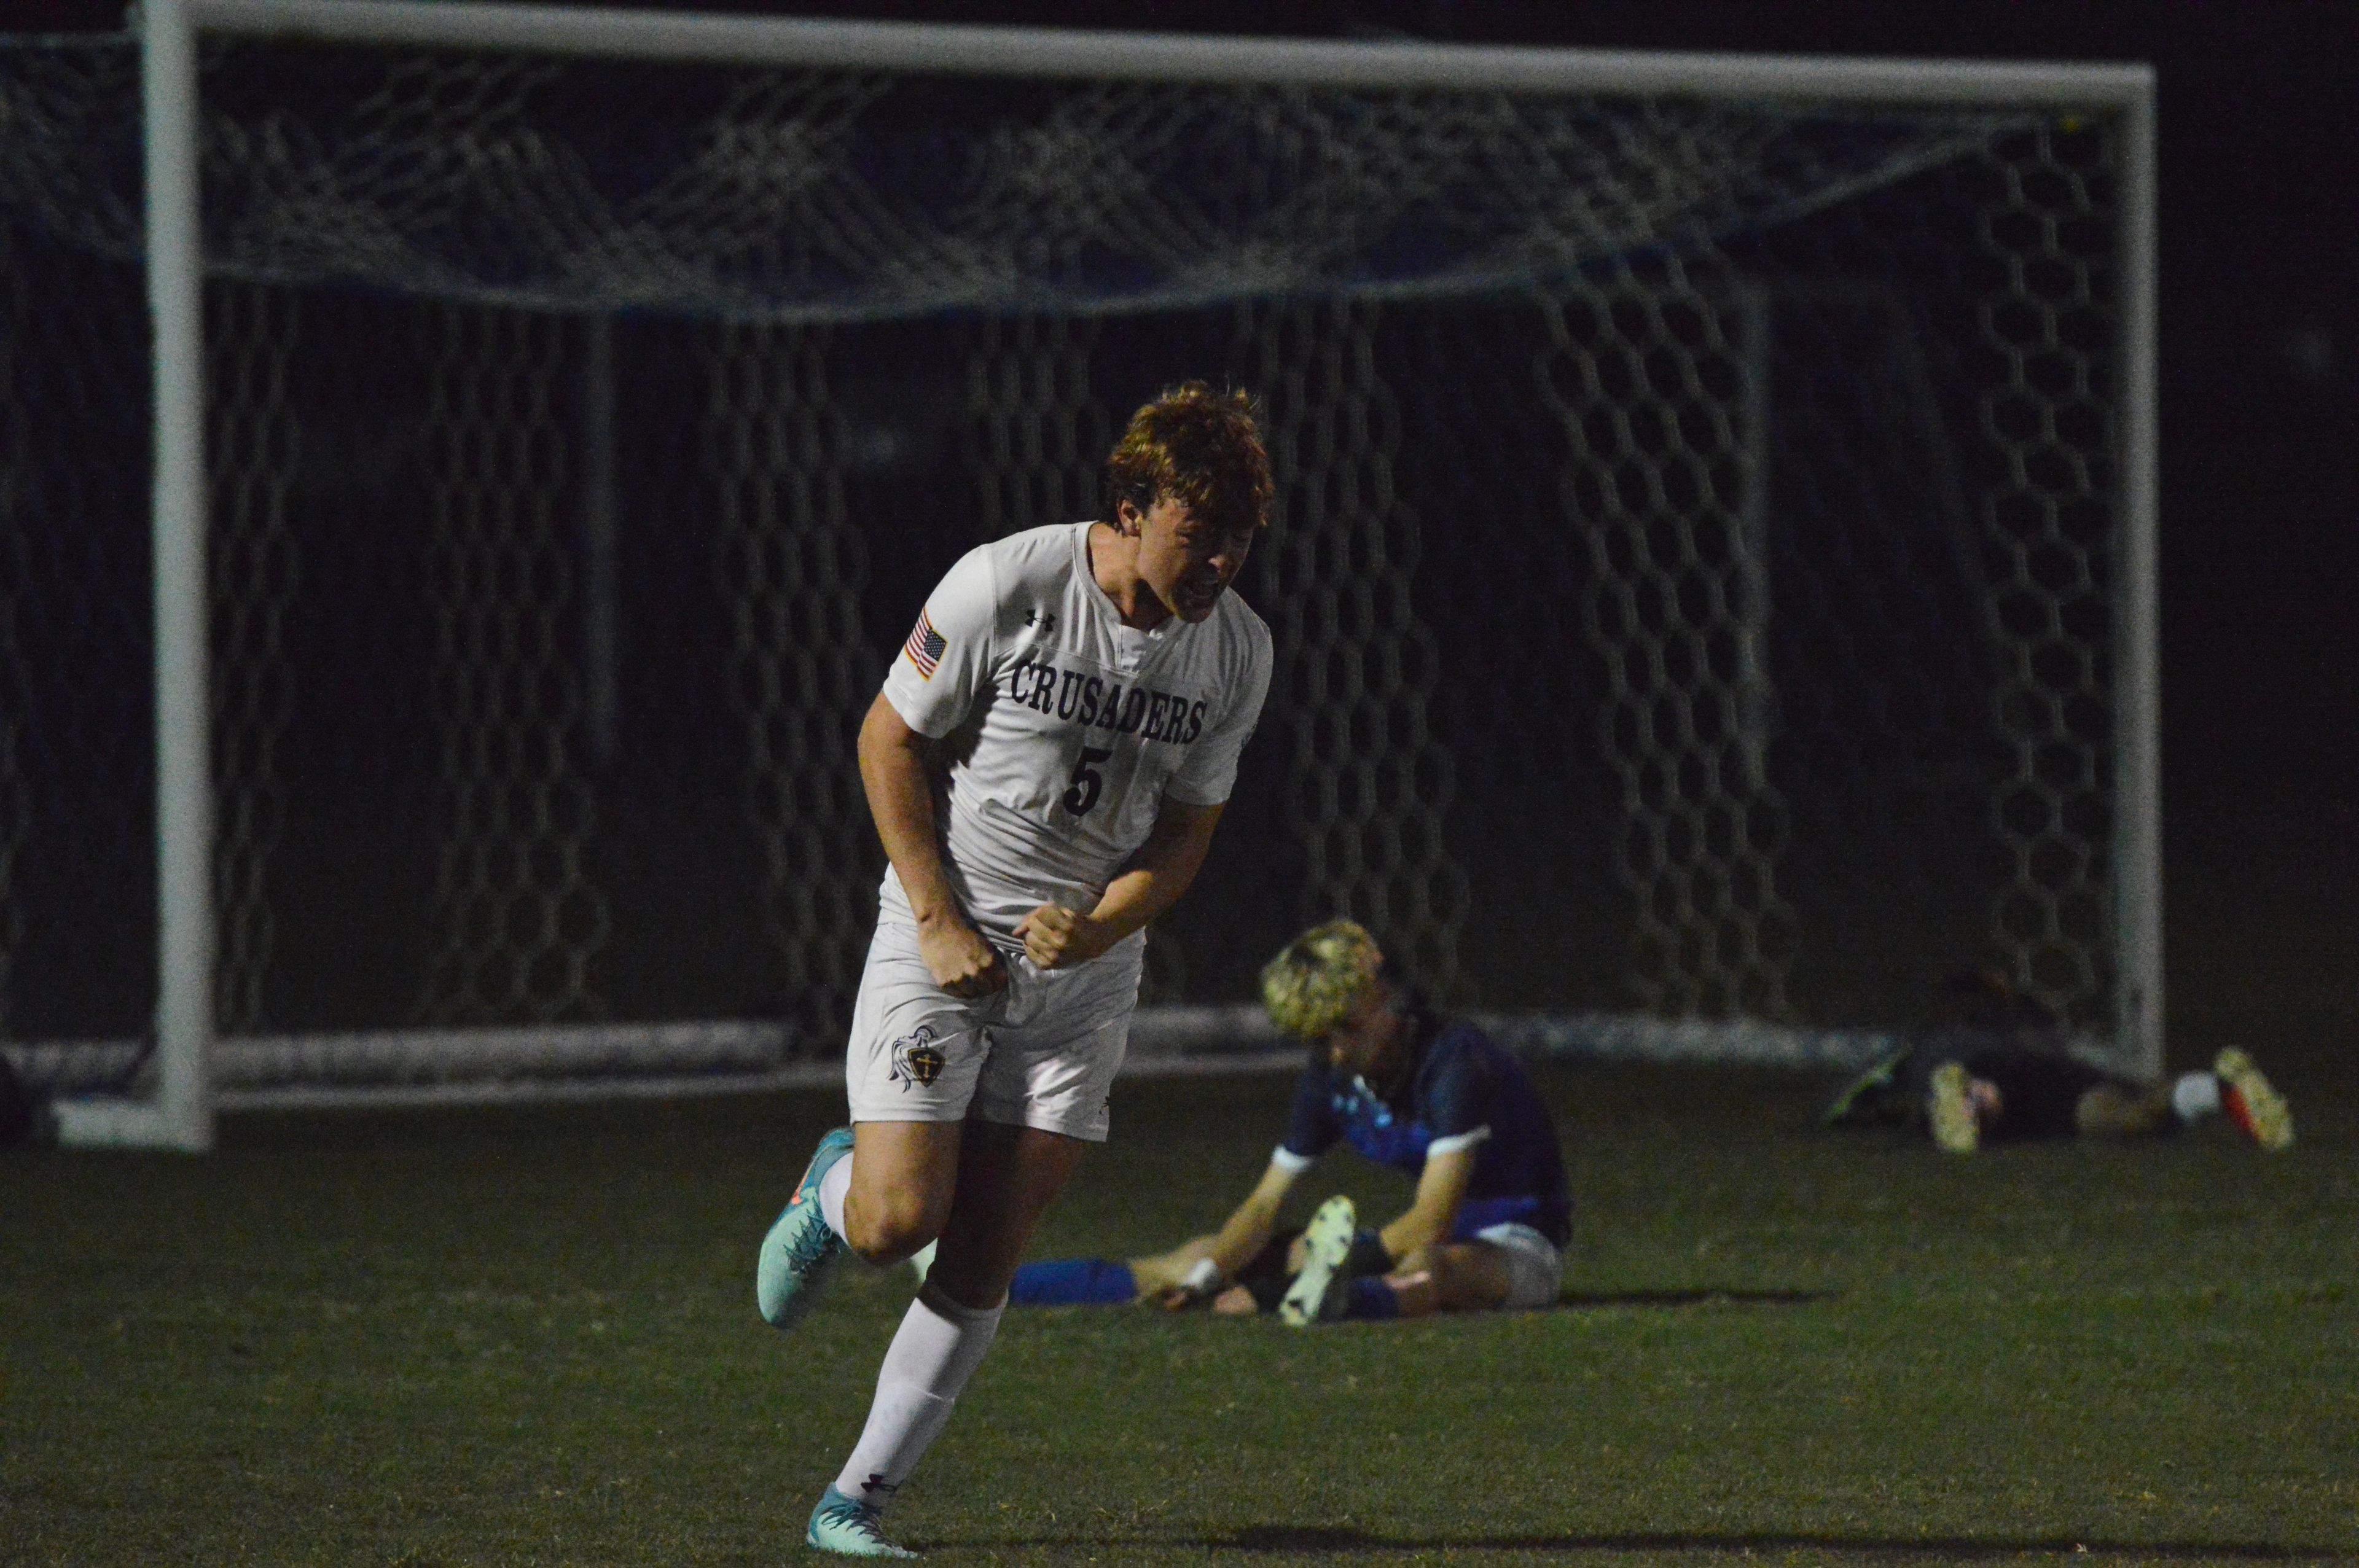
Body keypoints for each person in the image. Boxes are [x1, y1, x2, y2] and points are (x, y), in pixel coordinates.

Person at [753, 383, 1275, 1558]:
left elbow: (1186, 835)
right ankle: (831, 1194)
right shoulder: (1007, 584)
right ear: (1132, 507)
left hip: (1082, 977)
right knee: (898, 1223)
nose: (1222, 564)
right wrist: (939, 919)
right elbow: (887, 736)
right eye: (1202, 534)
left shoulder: (1238, 650)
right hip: (948, 937)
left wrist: (1101, 927)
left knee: (989, 1246)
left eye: (1243, 541)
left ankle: (855, 1502)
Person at [1001, 919, 1573, 1327]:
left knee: (1428, 1270)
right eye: (1318, 1039)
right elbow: (1263, 1205)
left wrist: (1269, 1290)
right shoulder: (1332, 1071)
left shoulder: (1454, 1062)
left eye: (1345, 1028)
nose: (1336, 1052)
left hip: (1515, 1247)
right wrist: (1209, 1278)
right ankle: (994, 1284)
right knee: (1206, 1252)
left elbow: (1430, 1220)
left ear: (1382, 996)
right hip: (1403, 1245)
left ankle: (1328, 1300)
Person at [1823, 969, 2295, 1155]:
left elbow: (1852, 1097)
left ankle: (1966, 1099)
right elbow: (2061, 1057)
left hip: (2000, 1081)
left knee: (1987, 1098)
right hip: (2058, 1079)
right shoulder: (2026, 1025)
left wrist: (1842, 1118)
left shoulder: (1924, 1042)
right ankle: (2213, 1088)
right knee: (2132, 1114)